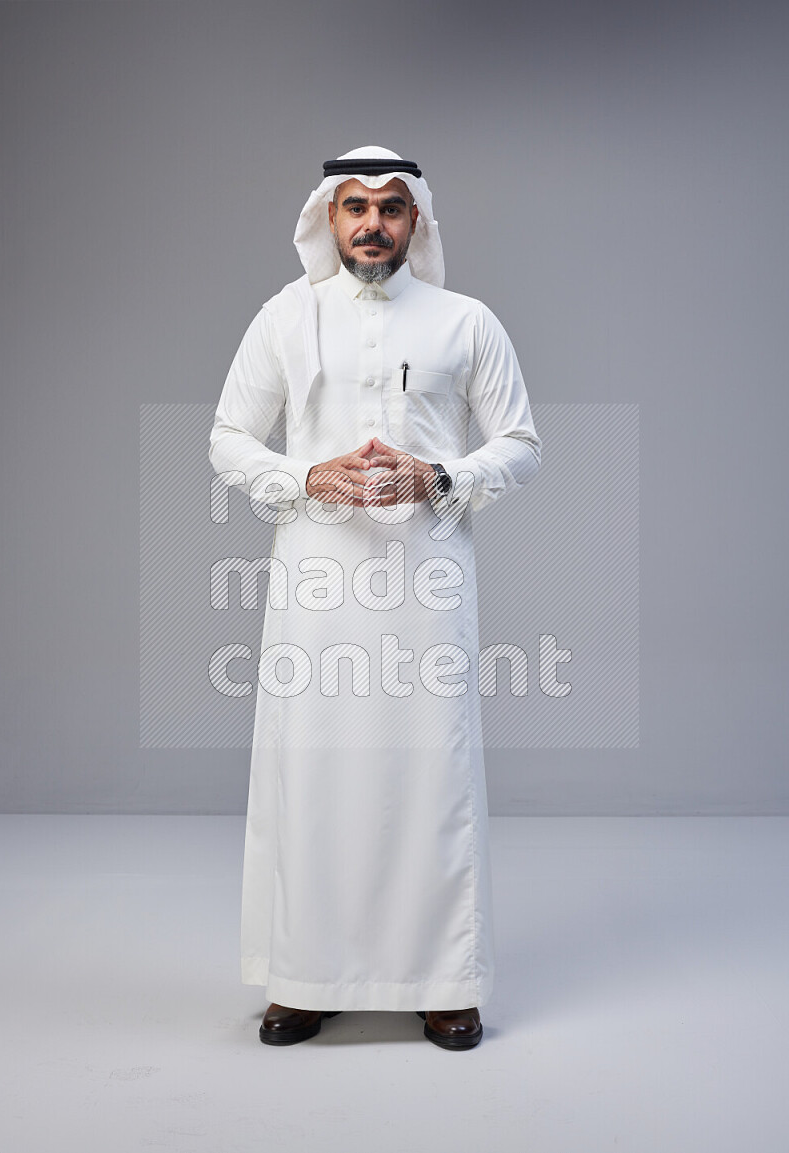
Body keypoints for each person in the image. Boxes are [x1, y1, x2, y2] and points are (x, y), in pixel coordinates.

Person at [208, 146, 542, 1050]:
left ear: (417, 221)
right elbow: (229, 438)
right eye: (354, 206)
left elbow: (519, 442)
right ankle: (306, 977)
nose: (371, 224)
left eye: (391, 208)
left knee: (429, 773)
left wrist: (437, 474)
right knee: (313, 771)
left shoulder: (465, 321)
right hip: (316, 583)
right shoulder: (287, 317)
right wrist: (306, 473)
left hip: (427, 584)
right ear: (327, 216)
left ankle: (444, 979)